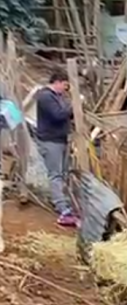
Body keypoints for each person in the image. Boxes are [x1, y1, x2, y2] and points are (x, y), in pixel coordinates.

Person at [34, 70, 77, 227]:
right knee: (56, 175)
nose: (65, 89)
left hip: (60, 140)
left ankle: (62, 203)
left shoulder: (58, 97)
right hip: (50, 141)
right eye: (65, 86)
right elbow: (58, 115)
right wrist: (74, 106)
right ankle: (62, 210)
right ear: (57, 82)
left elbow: (66, 114)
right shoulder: (45, 96)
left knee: (63, 174)